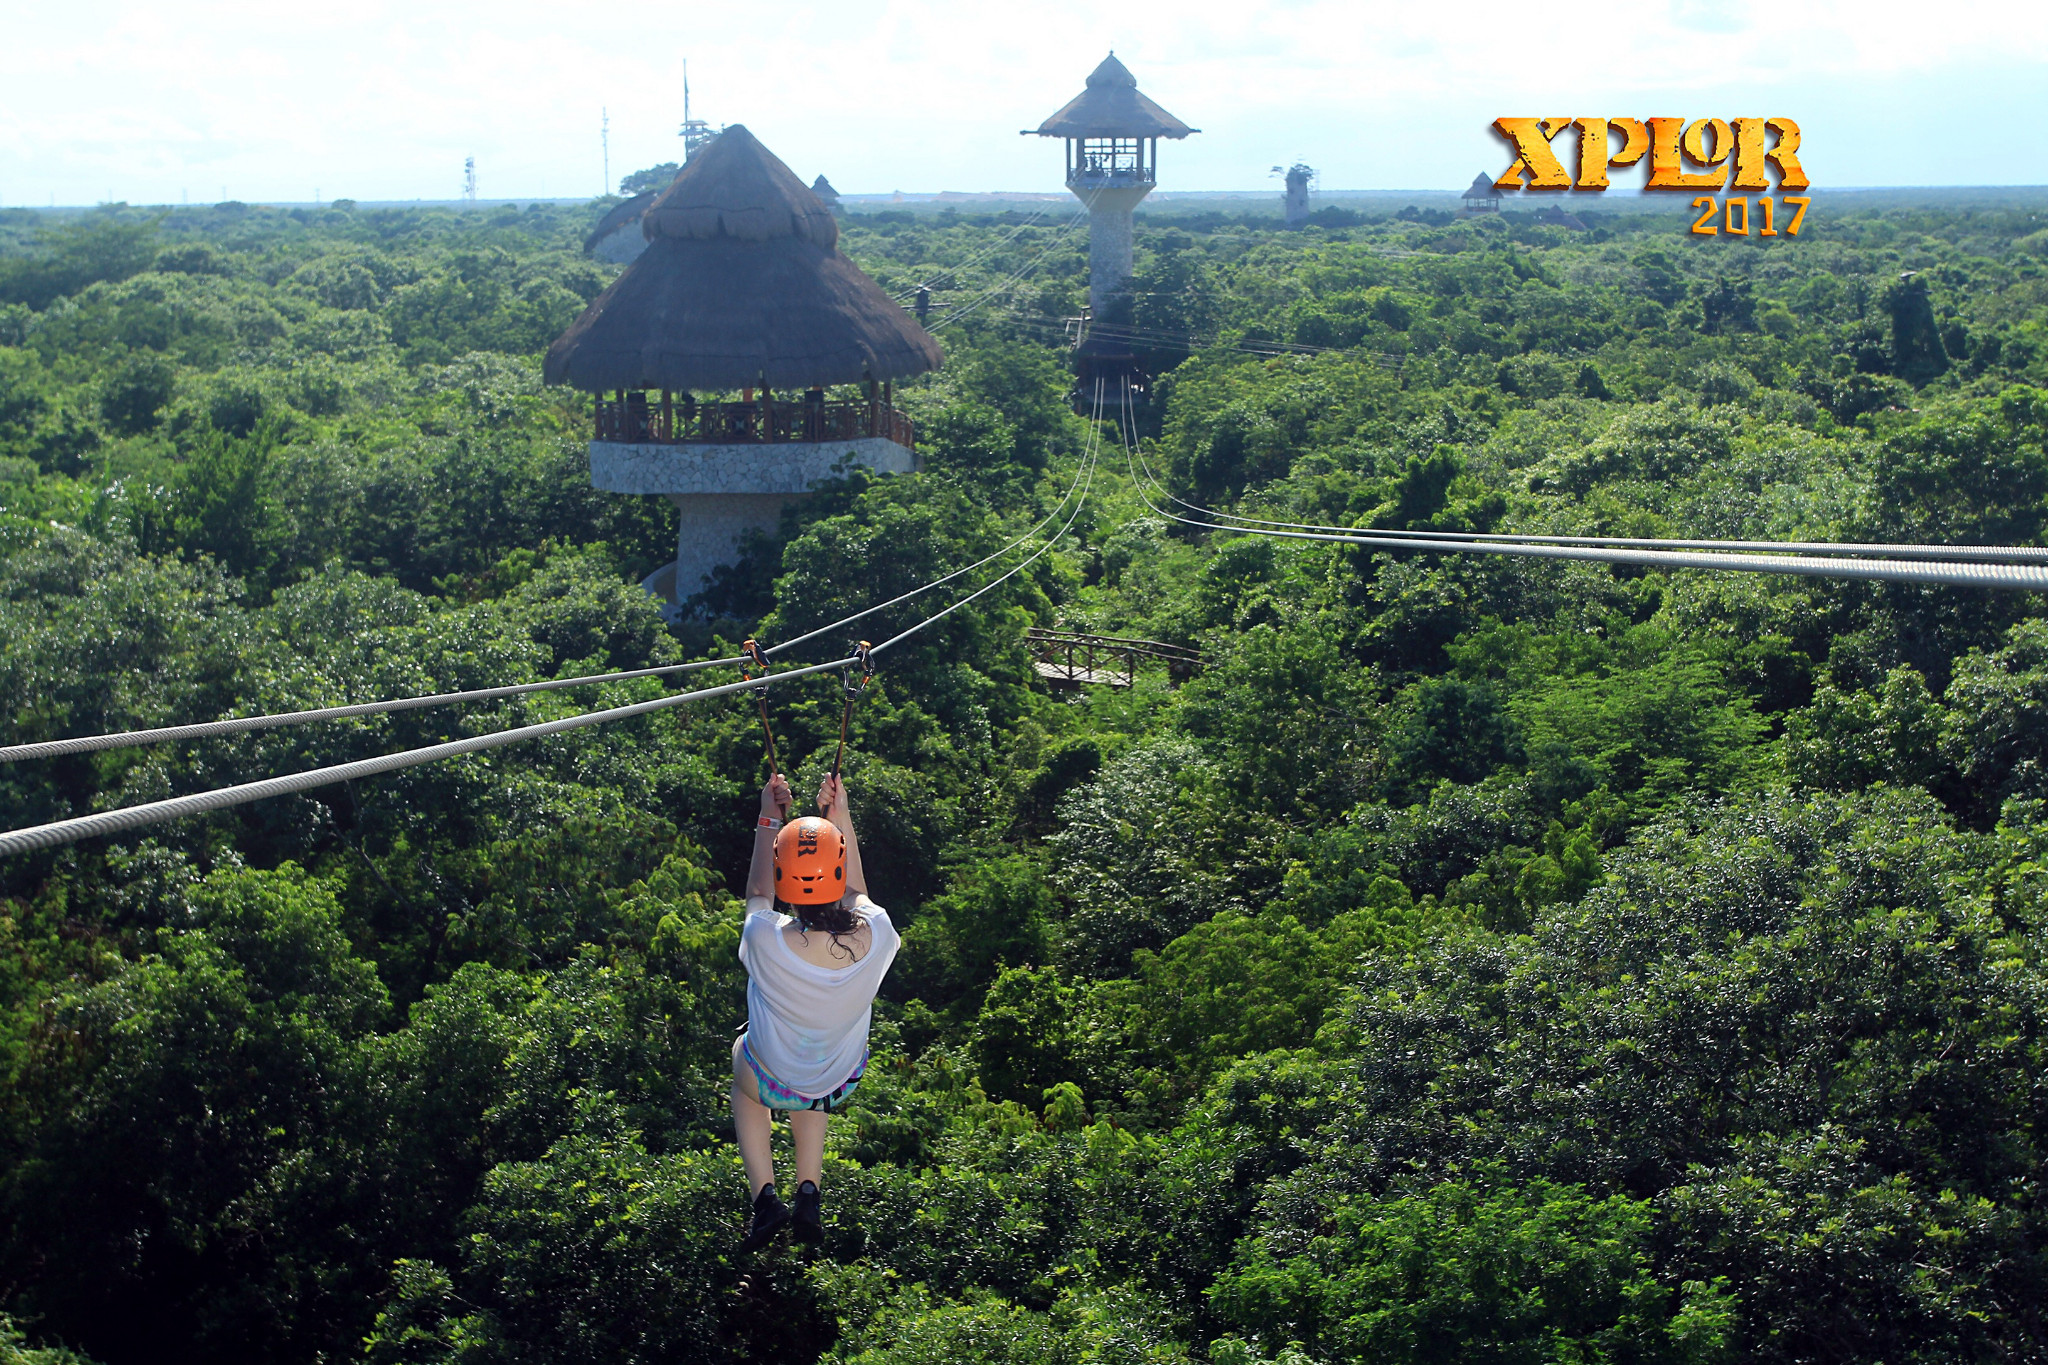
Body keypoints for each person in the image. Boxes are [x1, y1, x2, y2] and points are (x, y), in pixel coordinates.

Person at [732, 770, 899, 1253]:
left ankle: (765, 1197)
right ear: (839, 869)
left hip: (772, 1075)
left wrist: (769, 819)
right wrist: (839, 817)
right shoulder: (879, 934)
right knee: (812, 1086)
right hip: (839, 1078)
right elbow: (858, 891)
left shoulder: (765, 939)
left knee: (747, 1084)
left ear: (790, 877)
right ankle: (809, 1190)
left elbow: (759, 895)